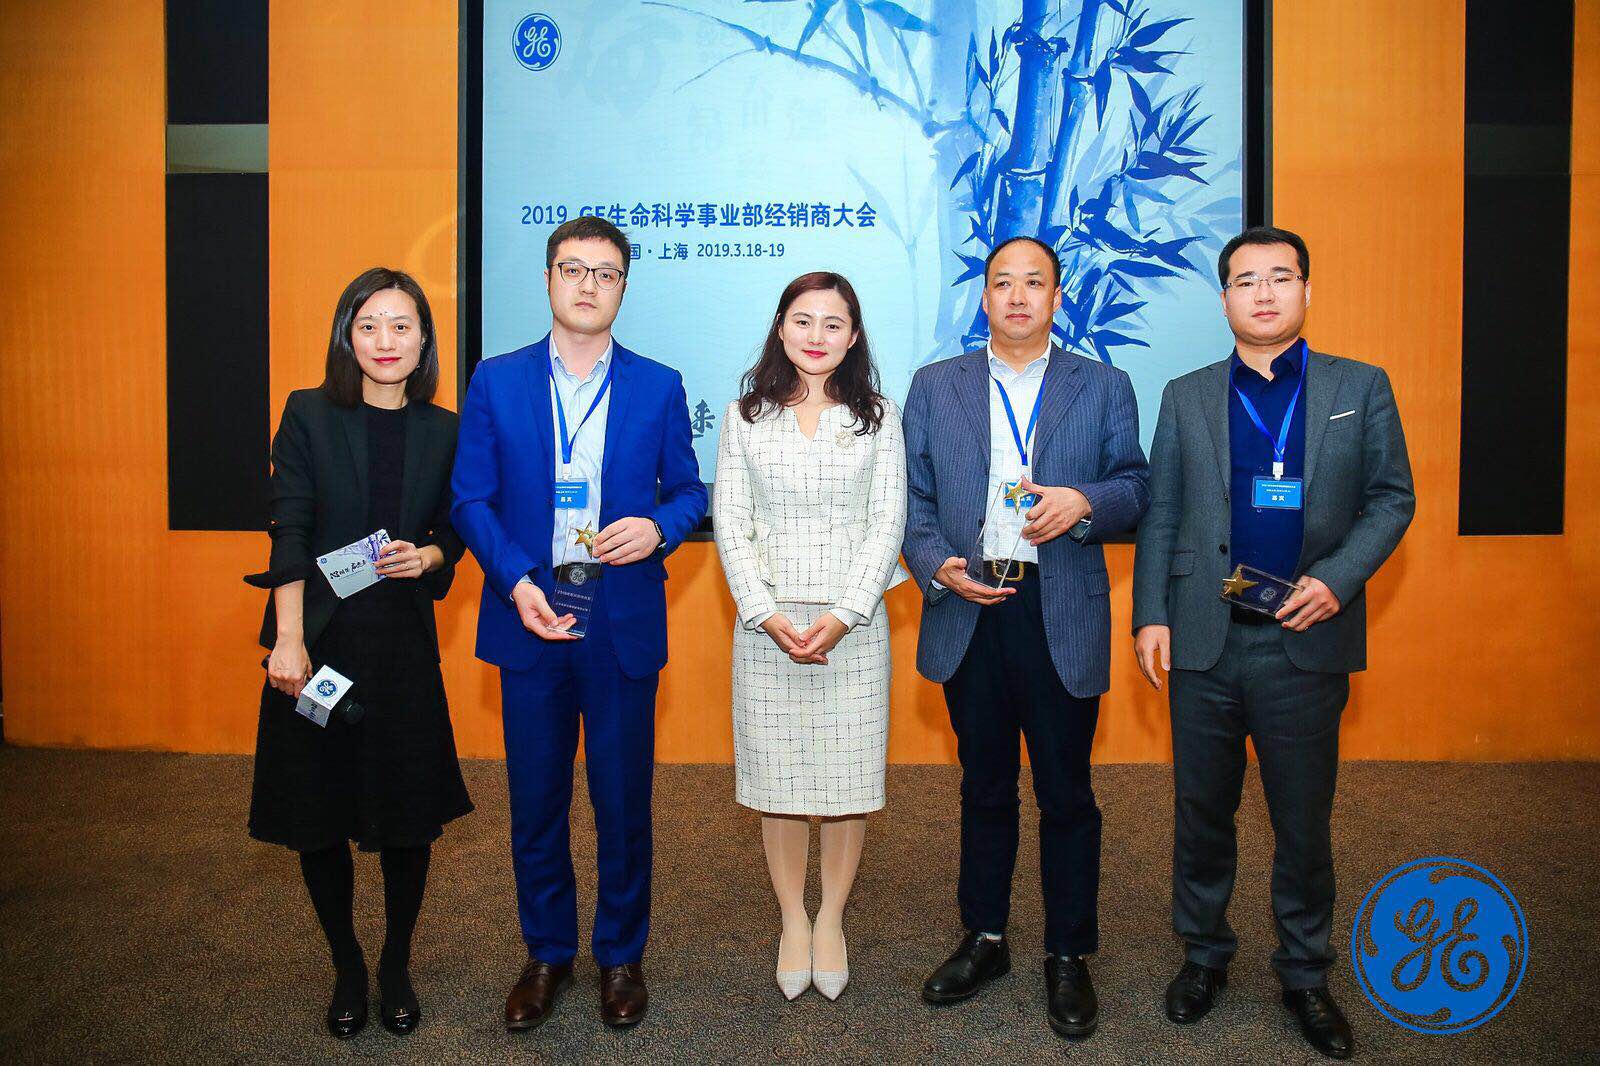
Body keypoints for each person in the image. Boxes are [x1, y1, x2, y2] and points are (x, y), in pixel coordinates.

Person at [1131, 226, 1415, 1060]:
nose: (1263, 293)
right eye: (1246, 280)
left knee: (1302, 819)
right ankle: (1204, 955)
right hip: (1206, 637)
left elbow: (1392, 499)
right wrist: (1150, 614)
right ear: (1223, 298)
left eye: (1280, 277)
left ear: (1306, 291)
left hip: (1304, 637)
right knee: (1201, 812)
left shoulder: (1359, 387)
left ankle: (1305, 972)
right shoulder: (1186, 394)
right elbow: (1163, 511)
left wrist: (1339, 580)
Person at [451, 216, 707, 1032]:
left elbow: (690, 492)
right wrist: (515, 580)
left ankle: (621, 956)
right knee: (536, 801)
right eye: (573, 269)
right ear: (549, 279)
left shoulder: (659, 385)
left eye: (606, 272)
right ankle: (547, 953)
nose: (588, 285)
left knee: (622, 802)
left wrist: (660, 527)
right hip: (529, 615)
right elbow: (470, 499)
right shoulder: (496, 380)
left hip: (619, 618)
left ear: (624, 286)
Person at [902, 236, 1150, 1039]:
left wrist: (1086, 503)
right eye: (1002, 282)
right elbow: (910, 497)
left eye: (1033, 283)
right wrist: (936, 564)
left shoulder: (1102, 385)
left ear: (1056, 297)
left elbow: (1136, 484)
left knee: (1066, 792)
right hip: (970, 601)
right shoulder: (935, 385)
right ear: (984, 298)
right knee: (984, 785)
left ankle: (1068, 952)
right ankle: (985, 937)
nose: (1017, 296)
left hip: (1059, 605)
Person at [245, 267, 472, 1040]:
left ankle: (395, 962)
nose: (385, 340)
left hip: (402, 648)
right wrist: (288, 640)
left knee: (408, 815)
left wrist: (431, 556)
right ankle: (346, 964)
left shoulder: (444, 429)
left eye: (401, 326)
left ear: (424, 341)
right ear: (347, 335)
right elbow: (289, 529)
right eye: (368, 325)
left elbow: (455, 525)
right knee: (319, 810)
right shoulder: (308, 414)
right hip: (320, 649)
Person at [713, 272, 907, 1001]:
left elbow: (888, 523)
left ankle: (832, 919)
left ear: (853, 337)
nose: (816, 335)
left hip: (852, 627)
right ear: (781, 327)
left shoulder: (879, 417)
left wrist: (844, 614)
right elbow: (731, 523)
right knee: (781, 781)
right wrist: (764, 612)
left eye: (833, 323)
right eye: (803, 320)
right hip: (767, 627)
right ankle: (794, 918)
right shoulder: (745, 416)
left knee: (846, 781)